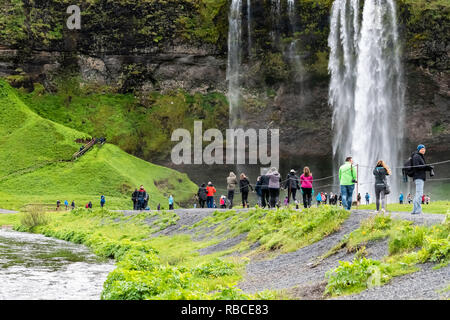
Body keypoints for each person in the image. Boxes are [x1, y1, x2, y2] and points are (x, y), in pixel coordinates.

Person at [411, 145, 433, 215]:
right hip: (418, 177)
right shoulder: (417, 156)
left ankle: (414, 210)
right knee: (420, 194)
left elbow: (421, 167)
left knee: (417, 194)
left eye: (424, 149)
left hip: (419, 177)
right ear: (418, 150)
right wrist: (426, 166)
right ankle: (418, 211)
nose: (423, 150)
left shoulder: (419, 156)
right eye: (422, 149)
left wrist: (428, 168)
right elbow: (416, 166)